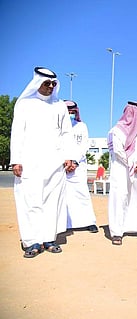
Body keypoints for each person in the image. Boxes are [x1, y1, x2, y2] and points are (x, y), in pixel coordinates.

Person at [10, 66, 75, 258]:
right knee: (30, 201)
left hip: (55, 162)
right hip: (30, 161)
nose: (50, 87)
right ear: (38, 83)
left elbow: (66, 133)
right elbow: (17, 133)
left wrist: (69, 156)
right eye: (46, 83)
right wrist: (16, 160)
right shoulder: (24, 104)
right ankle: (31, 241)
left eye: (53, 84)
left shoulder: (59, 106)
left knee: (52, 201)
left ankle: (48, 238)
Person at [107, 101, 137, 245]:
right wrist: (131, 164)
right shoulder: (116, 131)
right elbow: (117, 151)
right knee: (120, 198)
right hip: (121, 169)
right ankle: (117, 232)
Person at [64, 100, 98, 233]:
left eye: (73, 112)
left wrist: (75, 161)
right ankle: (65, 223)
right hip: (63, 167)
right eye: (68, 112)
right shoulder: (58, 128)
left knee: (82, 193)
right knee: (64, 195)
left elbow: (84, 145)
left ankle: (89, 222)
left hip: (78, 166)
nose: (71, 114)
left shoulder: (81, 126)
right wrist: (65, 162)